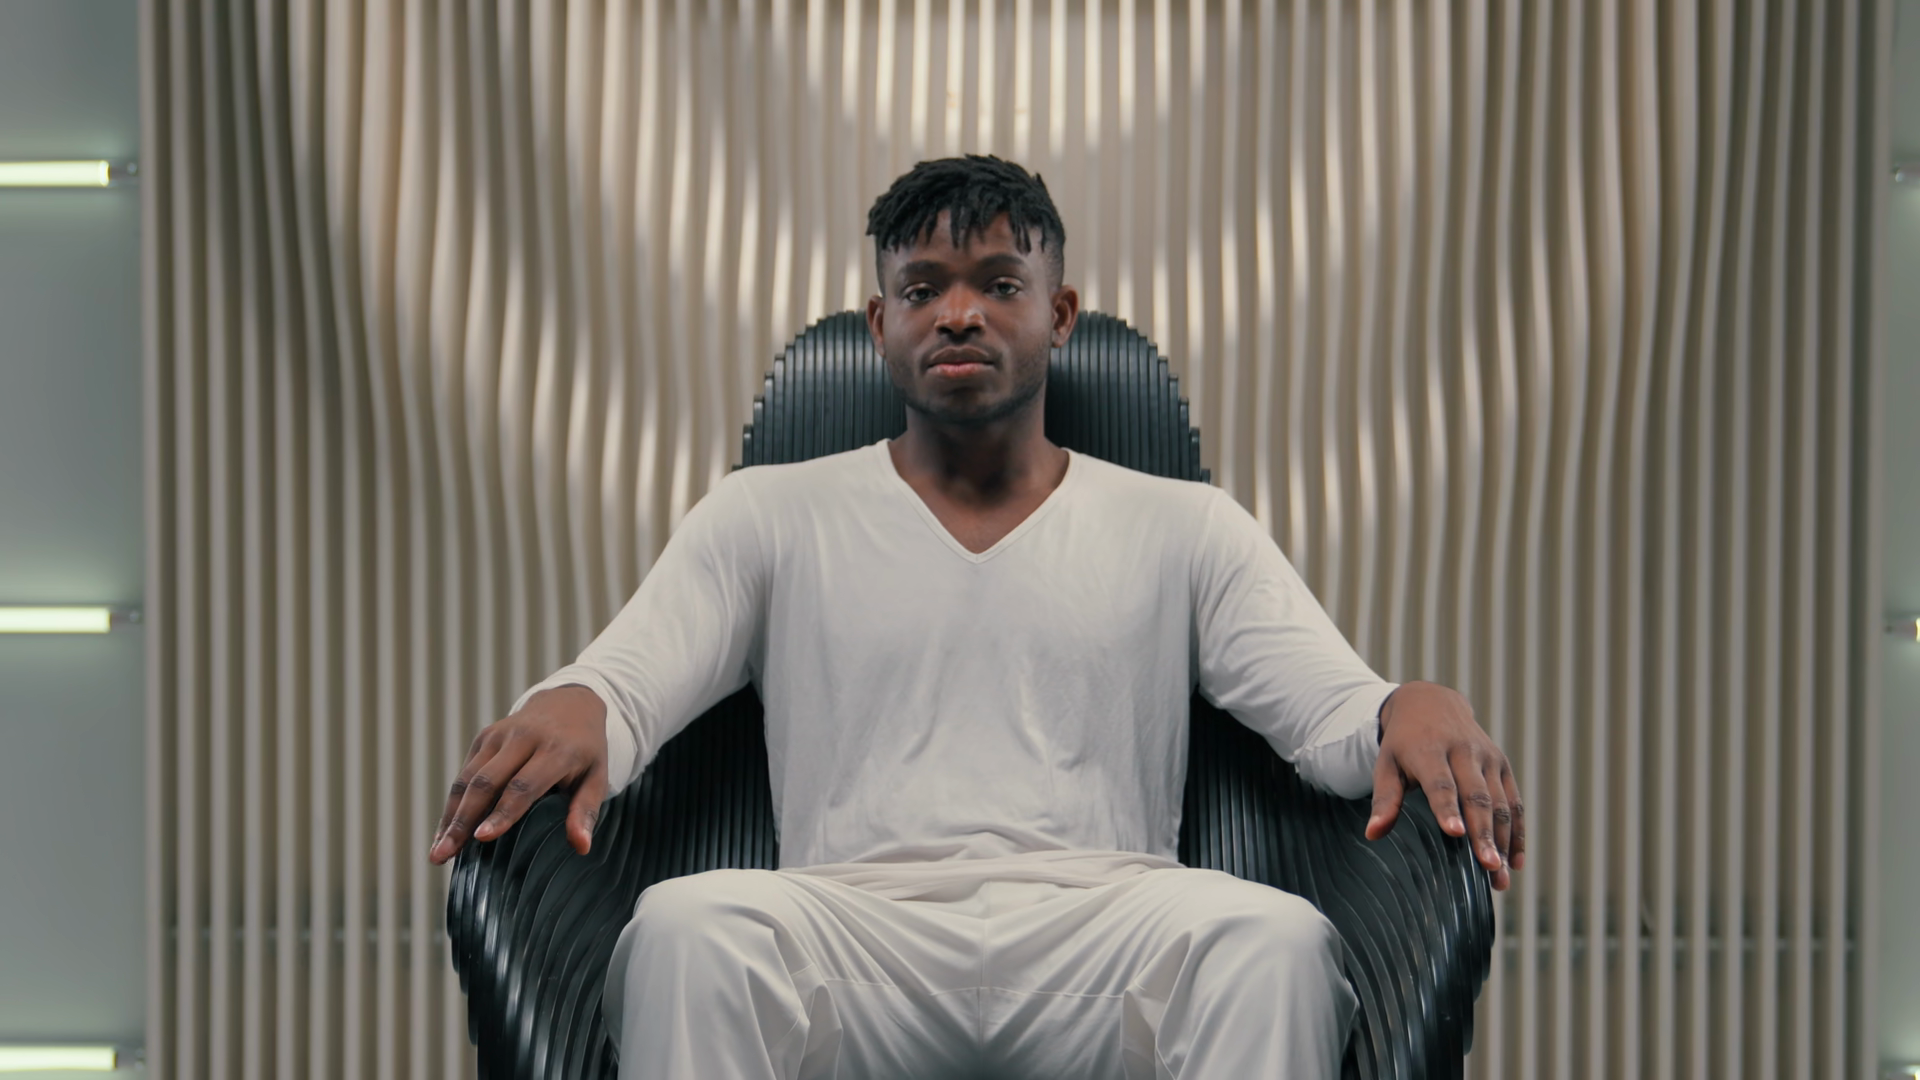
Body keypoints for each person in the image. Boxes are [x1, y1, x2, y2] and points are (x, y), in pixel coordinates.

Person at [427, 154, 1523, 1079]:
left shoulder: (1183, 525)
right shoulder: (769, 513)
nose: (959, 312)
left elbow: (1330, 712)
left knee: (1272, 940)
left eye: (1000, 283)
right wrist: (577, 699)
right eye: (923, 289)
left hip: (1104, 924)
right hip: (854, 925)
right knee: (688, 930)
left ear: (1058, 313)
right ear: (880, 323)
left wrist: (1408, 704)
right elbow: (629, 679)